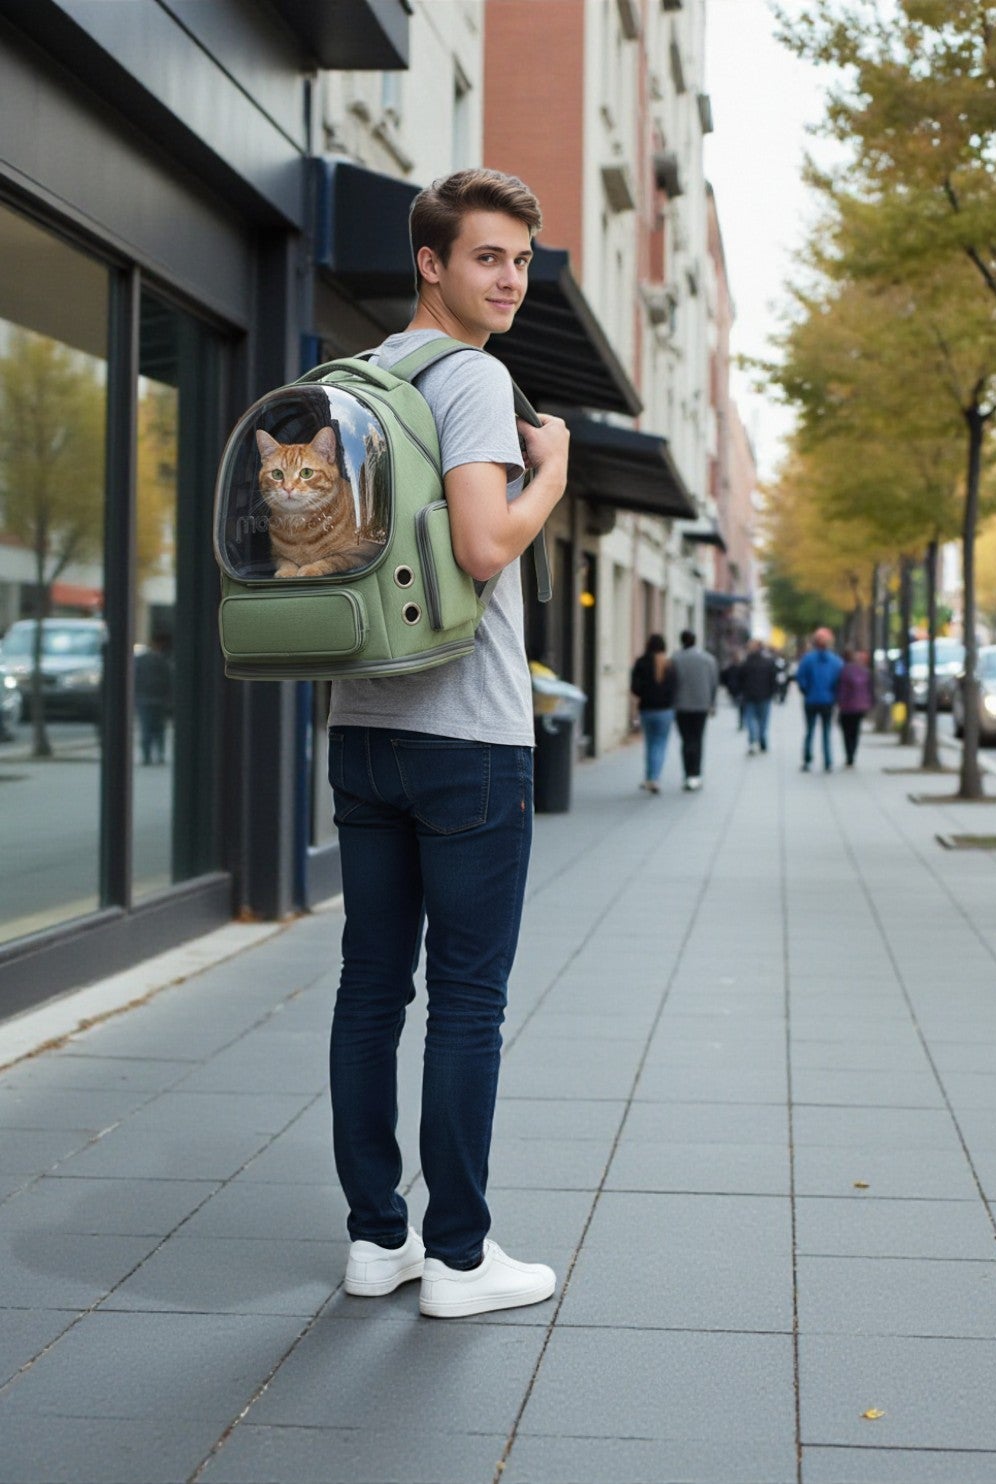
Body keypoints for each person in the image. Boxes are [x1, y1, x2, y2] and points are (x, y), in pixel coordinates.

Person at [325, 169, 568, 1320]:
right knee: (467, 999)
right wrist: (552, 470)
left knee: (372, 986)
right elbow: (482, 545)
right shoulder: (472, 375)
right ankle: (460, 1258)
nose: (509, 278)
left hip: (361, 724)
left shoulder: (368, 374)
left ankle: (378, 1238)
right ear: (432, 263)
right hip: (467, 735)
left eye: (520, 258)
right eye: (487, 256)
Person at [670, 629, 719, 792]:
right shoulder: (708, 659)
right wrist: (712, 704)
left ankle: (687, 774)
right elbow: (714, 683)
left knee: (686, 741)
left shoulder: (675, 659)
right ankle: (695, 774)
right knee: (697, 739)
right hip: (701, 706)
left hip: (681, 706)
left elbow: (671, 683)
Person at [630, 633, 676, 793]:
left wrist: (645, 693)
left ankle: (649, 777)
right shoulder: (669, 665)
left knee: (650, 744)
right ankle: (654, 778)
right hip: (665, 710)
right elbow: (675, 688)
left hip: (647, 709)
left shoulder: (641, 663)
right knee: (660, 744)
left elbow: (635, 688)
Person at [795, 627, 844, 772]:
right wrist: (833, 695)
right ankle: (828, 761)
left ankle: (807, 760)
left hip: (811, 700)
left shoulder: (807, 659)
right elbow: (839, 681)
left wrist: (807, 691)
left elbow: (800, 678)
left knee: (809, 731)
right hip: (827, 701)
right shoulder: (835, 661)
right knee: (826, 732)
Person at [134, 634, 172, 766]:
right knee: (159, 729)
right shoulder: (164, 661)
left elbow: (135, 679)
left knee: (146, 728)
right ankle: (159, 755)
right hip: (159, 699)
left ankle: (147, 756)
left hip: (144, 698)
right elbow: (169, 681)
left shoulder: (140, 660)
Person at [737, 639, 777, 754]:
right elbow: (773, 679)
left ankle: (753, 740)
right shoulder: (768, 662)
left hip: (750, 695)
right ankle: (761, 739)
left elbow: (740, 679)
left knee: (750, 719)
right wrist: (773, 692)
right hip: (764, 695)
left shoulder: (746, 663)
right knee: (763, 721)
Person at [836, 648, 873, 768]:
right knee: (855, 731)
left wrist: (838, 702)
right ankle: (852, 754)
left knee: (846, 732)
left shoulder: (844, 671)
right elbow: (869, 690)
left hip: (846, 707)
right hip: (859, 707)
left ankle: (849, 755)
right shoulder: (865, 672)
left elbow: (840, 689)